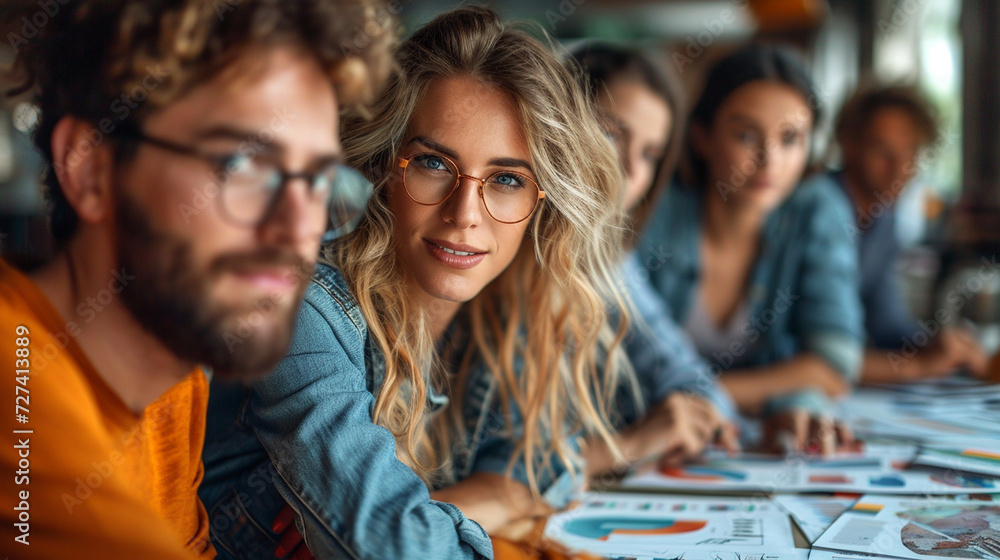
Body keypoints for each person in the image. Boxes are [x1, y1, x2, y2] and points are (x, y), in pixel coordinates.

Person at [200, 7, 634, 559]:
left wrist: (455, 504)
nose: (464, 214)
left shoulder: (506, 306)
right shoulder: (303, 311)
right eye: (433, 164)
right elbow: (400, 549)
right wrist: (484, 504)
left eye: (506, 179)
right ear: (385, 166)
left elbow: (546, 465)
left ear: (541, 202)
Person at [0, 0, 391, 557]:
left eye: (318, 181)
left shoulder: (174, 376)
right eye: (244, 166)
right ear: (90, 170)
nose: (297, 227)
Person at [637, 44, 863, 454]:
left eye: (791, 139)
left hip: (718, 435)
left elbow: (833, 364)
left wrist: (701, 397)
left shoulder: (817, 209)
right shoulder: (653, 208)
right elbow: (617, 363)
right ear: (702, 137)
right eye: (745, 135)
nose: (769, 161)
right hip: (657, 438)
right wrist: (773, 389)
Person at [568, 43, 739, 476]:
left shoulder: (609, 262)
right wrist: (628, 445)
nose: (631, 169)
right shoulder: (491, 256)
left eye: (649, 154)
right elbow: (501, 470)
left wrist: (694, 416)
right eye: (611, 134)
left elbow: (696, 382)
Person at [825, 85, 987, 383]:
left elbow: (887, 324)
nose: (899, 168)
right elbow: (823, 350)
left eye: (910, 152)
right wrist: (919, 366)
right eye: (882, 151)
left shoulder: (883, 221)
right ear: (848, 144)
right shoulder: (822, 206)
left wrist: (936, 343)